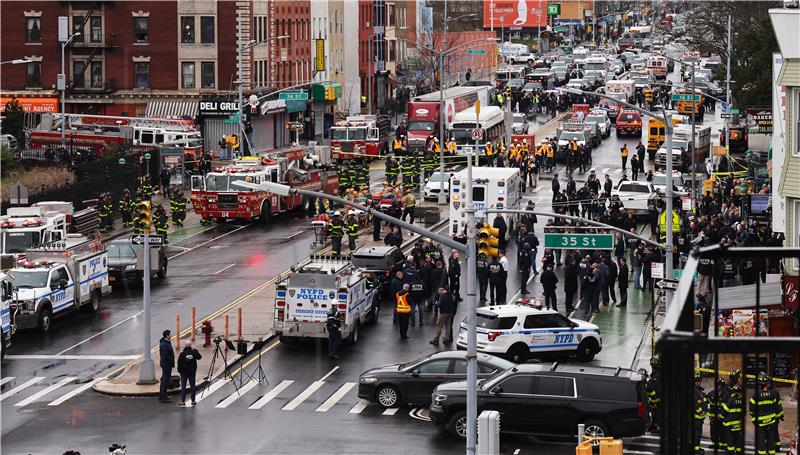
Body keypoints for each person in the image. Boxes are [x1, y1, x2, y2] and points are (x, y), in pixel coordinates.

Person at [750, 372, 783, 455]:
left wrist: (754, 419)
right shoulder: (772, 394)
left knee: (761, 439)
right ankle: (772, 452)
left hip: (760, 423)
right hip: (771, 421)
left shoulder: (756, 396)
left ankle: (762, 452)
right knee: (771, 438)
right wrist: (778, 417)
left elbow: (752, 409)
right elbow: (777, 406)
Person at [177, 341, 202, 406]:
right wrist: (196, 350)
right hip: (192, 372)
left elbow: (179, 363)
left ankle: (183, 401)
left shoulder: (182, 354)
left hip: (184, 372)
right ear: (190, 346)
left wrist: (180, 371)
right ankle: (193, 400)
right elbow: (199, 357)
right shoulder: (193, 352)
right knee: (193, 386)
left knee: (183, 386)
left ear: (185, 346)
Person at [692, 370, 708, 455]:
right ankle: (695, 449)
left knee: (698, 433)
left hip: (700, 418)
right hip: (696, 417)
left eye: (699, 380)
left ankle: (696, 447)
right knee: (696, 434)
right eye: (697, 381)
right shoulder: (694, 391)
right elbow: (694, 404)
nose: (699, 382)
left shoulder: (698, 390)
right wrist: (701, 411)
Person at [646, 357, 662, 432]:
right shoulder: (655, 375)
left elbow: (656, 390)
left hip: (658, 400)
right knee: (654, 413)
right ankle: (654, 425)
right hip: (655, 400)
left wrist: (654, 401)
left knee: (657, 414)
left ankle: (659, 428)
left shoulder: (658, 377)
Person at [159, 330, 174, 403]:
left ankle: (162, 395)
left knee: (164, 380)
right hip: (166, 364)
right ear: (167, 336)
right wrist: (171, 361)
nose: (171, 336)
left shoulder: (166, 343)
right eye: (170, 335)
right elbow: (166, 356)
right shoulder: (164, 345)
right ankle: (163, 397)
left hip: (166, 364)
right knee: (165, 380)